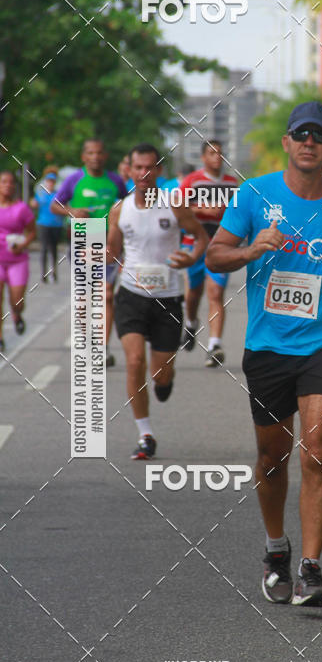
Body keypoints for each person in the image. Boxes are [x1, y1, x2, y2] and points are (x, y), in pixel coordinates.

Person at [206, 102, 322, 606]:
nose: (308, 142)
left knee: (317, 451)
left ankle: (311, 570)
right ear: (286, 142)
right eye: (300, 133)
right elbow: (215, 253)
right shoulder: (255, 193)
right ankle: (277, 548)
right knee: (271, 456)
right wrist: (250, 250)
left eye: (318, 136)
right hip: (267, 346)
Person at [107, 143, 209, 460]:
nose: (143, 174)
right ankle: (145, 434)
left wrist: (190, 258)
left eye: (150, 168)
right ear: (129, 170)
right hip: (132, 297)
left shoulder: (174, 205)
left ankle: (165, 381)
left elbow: (202, 237)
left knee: (160, 377)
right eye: (138, 168)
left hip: (167, 299)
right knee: (134, 361)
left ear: (159, 171)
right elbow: (112, 253)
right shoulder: (120, 210)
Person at [51, 138, 127, 366]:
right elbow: (55, 205)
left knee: (107, 294)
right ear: (84, 157)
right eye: (91, 153)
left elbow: (128, 205)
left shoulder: (115, 181)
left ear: (105, 156)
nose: (96, 157)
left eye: (100, 152)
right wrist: (71, 210)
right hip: (84, 237)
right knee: (85, 298)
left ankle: (103, 348)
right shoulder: (75, 179)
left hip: (108, 239)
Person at [179, 140, 238, 366]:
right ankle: (192, 324)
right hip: (193, 243)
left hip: (220, 245)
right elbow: (177, 206)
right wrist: (201, 209)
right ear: (203, 158)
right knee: (193, 294)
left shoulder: (232, 183)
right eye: (212, 154)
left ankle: (214, 345)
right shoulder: (192, 181)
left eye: (220, 154)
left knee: (216, 292)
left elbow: (239, 212)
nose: (217, 158)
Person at [0, 171, 36, 351]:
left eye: (11, 182)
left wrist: (22, 246)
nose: (8, 185)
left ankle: (17, 314)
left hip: (17, 260)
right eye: (4, 182)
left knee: (16, 301)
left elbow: (32, 232)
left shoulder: (21, 208)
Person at [30, 167, 63, 282]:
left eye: (52, 181)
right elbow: (34, 203)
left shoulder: (58, 195)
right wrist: (33, 203)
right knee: (44, 248)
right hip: (43, 224)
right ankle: (43, 273)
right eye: (48, 181)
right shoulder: (41, 193)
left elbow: (64, 206)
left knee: (53, 249)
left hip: (56, 224)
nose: (50, 183)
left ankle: (54, 271)